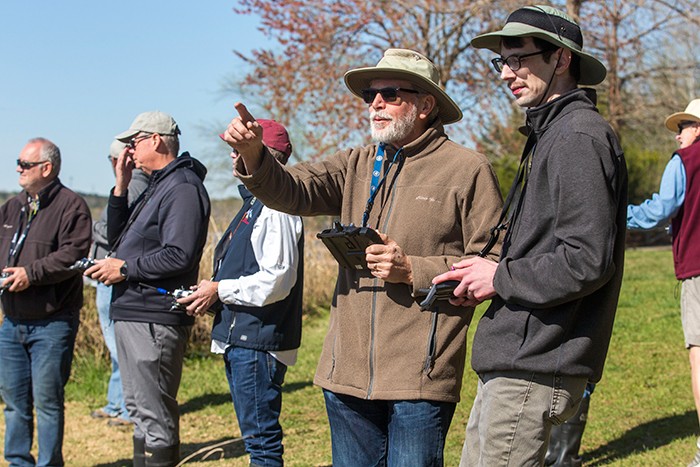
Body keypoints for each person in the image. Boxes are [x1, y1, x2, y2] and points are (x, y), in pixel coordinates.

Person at [221, 48, 504, 466]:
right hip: (346, 377)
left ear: (426, 105)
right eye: (370, 95)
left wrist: (413, 269)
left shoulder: (468, 170)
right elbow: (289, 190)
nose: (375, 103)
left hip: (419, 377)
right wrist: (253, 155)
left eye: (389, 93)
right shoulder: (356, 163)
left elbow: (492, 263)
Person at [432, 5, 628, 466]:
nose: (506, 73)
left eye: (519, 58)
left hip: (535, 367)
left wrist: (499, 279)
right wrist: (482, 276)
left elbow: (585, 259)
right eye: (501, 61)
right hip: (518, 362)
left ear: (560, 59)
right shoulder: (551, 134)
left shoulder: (578, 136)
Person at [86, 111, 211, 467]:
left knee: (155, 416)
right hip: (133, 312)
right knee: (139, 410)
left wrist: (124, 269)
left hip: (153, 317)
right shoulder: (157, 184)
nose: (129, 150)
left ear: (156, 140)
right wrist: (121, 185)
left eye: (134, 141)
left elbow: (180, 255)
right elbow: (116, 239)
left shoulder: (183, 187)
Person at [178, 119, 303, 466]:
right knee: (257, 441)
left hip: (257, 343)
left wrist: (220, 289)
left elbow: (278, 279)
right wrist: (211, 293)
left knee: (262, 446)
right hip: (245, 340)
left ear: (266, 155)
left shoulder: (276, 206)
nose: (233, 156)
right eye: (233, 149)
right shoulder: (256, 203)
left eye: (240, 149)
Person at [0, 138, 92, 466]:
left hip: (52, 323)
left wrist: (31, 273)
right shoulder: (12, 206)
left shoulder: (73, 207)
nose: (18, 170)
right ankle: (17, 462)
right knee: (13, 403)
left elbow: (74, 255)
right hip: (11, 322)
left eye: (24, 164)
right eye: (19, 163)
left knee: (48, 402)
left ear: (46, 168)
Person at [627, 98, 700, 467]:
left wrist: (617, 214)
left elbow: (661, 209)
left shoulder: (685, 162)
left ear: (699, 128)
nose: (678, 137)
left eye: (683, 127)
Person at [89, 139, 148, 427]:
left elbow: (119, 231)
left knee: (118, 345)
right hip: (109, 275)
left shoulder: (134, 185)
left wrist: (90, 227)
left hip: (114, 275)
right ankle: (116, 402)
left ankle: (127, 407)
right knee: (115, 343)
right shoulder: (133, 184)